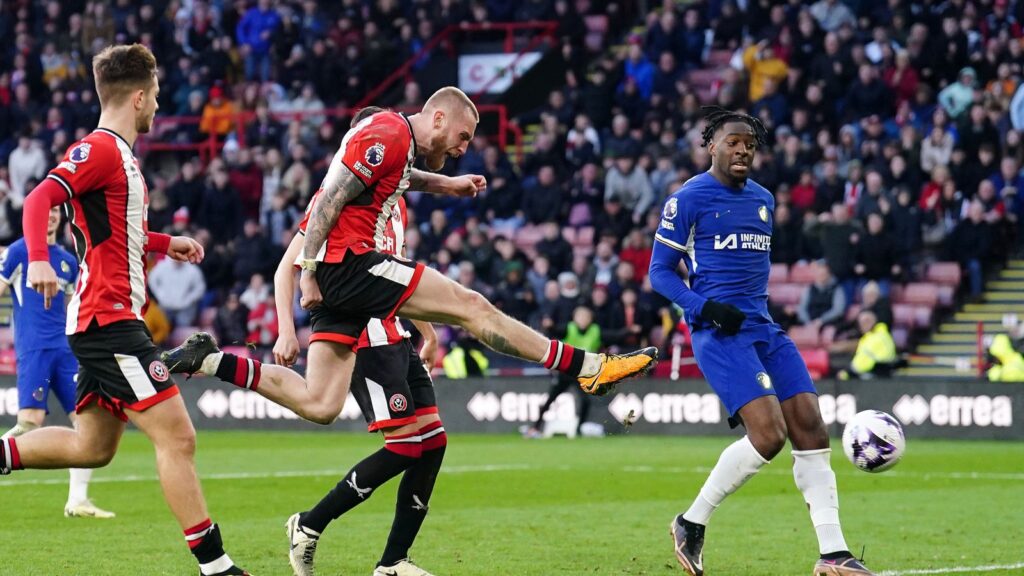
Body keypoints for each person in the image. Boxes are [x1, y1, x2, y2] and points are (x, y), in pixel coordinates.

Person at [163, 88, 656, 426]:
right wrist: (309, 271)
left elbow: (392, 180)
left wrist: (446, 183)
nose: (464, 148)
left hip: (342, 281)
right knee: (473, 307)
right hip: (352, 264)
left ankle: (212, 361)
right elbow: (330, 198)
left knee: (320, 403)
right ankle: (586, 367)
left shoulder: (394, 147)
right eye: (462, 137)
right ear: (437, 117)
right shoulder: (390, 132)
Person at [0, 44, 249, 576]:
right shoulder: (102, 150)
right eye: (155, 95)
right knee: (178, 436)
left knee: (93, 447)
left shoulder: (120, 158)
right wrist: (39, 260)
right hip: (108, 319)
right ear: (138, 97)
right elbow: (39, 199)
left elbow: (110, 231)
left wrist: (162, 242)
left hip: (102, 319)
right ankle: (217, 567)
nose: (157, 105)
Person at [649, 106, 874, 576]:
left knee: (811, 426)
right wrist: (704, 308)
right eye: (733, 142)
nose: (743, 150)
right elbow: (659, 274)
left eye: (750, 145)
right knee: (769, 435)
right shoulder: (687, 199)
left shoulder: (763, 200)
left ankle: (832, 553)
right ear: (711, 144)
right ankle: (691, 521)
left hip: (763, 327)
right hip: (718, 331)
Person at [274, 106, 446, 576]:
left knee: (433, 442)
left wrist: (426, 330)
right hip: (364, 331)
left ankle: (393, 563)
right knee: (406, 445)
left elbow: (398, 273)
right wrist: (287, 329)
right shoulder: (334, 201)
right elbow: (285, 266)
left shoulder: (394, 199)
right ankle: (309, 525)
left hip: (397, 332)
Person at [0, 206, 114, 519]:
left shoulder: (66, 260)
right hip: (34, 348)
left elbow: (72, 306)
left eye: (54, 211)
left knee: (86, 424)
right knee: (29, 423)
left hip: (65, 351)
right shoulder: (19, 251)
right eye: (43, 210)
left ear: (61, 218)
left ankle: (77, 501)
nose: (49, 215)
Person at [522, 305, 601, 439]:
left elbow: (612, 336)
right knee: (550, 400)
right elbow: (556, 331)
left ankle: (579, 429)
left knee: (585, 401)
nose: (582, 320)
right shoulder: (568, 329)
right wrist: (550, 326)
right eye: (580, 317)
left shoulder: (595, 331)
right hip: (565, 372)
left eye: (585, 317)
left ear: (590, 319)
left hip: (581, 374)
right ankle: (535, 427)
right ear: (574, 318)